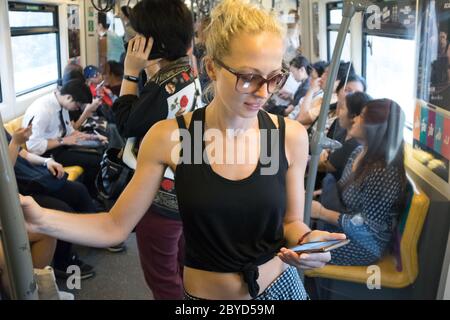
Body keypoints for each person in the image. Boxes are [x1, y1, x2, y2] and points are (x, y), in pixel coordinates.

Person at [20, 0, 345, 300]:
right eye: (247, 77)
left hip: (277, 290)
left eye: (274, 78)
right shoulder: (172, 137)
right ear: (213, 68)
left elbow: (291, 222)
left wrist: (305, 243)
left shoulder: (288, 136)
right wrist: (44, 220)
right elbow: (115, 226)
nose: (263, 92)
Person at [112, 0, 201, 299]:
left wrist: (129, 73)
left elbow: (125, 122)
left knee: (163, 278)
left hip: (158, 198)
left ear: (152, 40)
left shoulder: (164, 86)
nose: (130, 40)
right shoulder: (187, 73)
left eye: (135, 33)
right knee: (180, 266)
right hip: (185, 190)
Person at [311, 99, 407, 266]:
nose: (354, 119)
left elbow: (368, 229)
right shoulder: (359, 152)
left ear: (375, 127)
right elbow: (344, 190)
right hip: (342, 229)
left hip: (364, 245)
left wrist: (321, 213)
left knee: (297, 244)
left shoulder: (384, 171)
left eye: (362, 116)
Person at [4, 125, 97, 279]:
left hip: (33, 176)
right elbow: (4, 174)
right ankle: (63, 263)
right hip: (18, 189)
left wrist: (46, 161)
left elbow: (24, 154)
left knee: (78, 191)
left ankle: (95, 233)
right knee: (63, 211)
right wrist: (15, 143)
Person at [22, 79, 107, 197]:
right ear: (69, 97)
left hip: (60, 146)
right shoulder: (43, 111)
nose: (77, 109)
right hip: (46, 154)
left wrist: (93, 137)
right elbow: (33, 147)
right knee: (95, 160)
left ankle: (93, 192)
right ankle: (92, 195)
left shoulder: (61, 105)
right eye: (78, 105)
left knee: (100, 150)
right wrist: (62, 141)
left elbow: (69, 132)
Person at [318, 79, 370, 180]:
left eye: (342, 108)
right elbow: (325, 147)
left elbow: (326, 165)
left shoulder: (354, 144)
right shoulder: (341, 129)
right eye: (347, 89)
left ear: (353, 115)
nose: (338, 113)